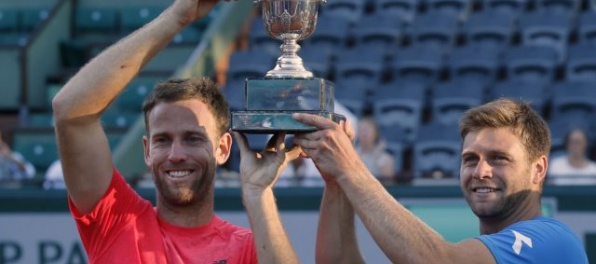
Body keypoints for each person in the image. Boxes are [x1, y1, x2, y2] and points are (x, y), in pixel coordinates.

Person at [52, 0, 299, 263]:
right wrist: (176, 18)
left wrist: (258, 192)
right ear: (147, 151)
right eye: (162, 140)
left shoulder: (249, 248)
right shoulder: (116, 221)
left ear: (223, 148)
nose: (176, 154)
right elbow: (70, 112)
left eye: (193, 138)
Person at [293, 98, 588, 263]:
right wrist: (336, 182)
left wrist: (350, 168)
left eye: (499, 158)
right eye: (470, 159)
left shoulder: (555, 242)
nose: (480, 171)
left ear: (538, 170)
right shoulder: (478, 254)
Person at [355, 116, 394, 184]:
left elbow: (388, 183)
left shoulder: (385, 158)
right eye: (361, 130)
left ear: (375, 133)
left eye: (367, 130)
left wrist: (377, 158)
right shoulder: (352, 154)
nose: (364, 134)